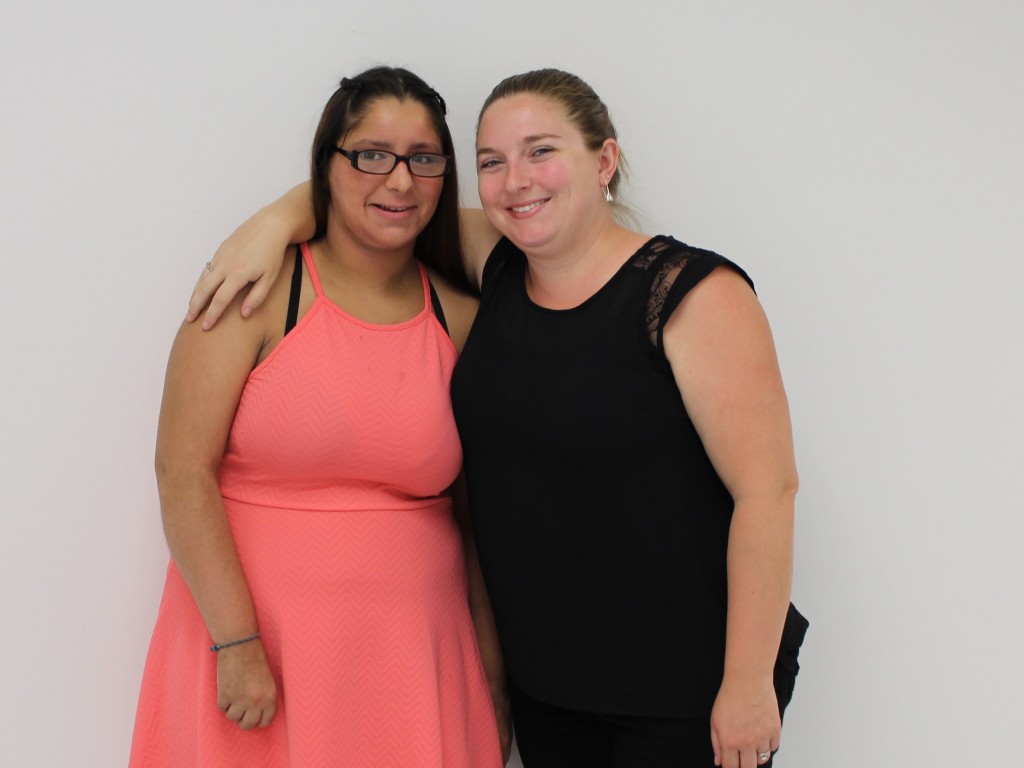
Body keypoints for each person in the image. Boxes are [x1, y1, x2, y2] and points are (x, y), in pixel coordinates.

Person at [188, 68, 808, 768]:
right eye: (491, 162)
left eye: (541, 151)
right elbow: (380, 199)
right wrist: (272, 223)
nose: (516, 181)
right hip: (551, 684)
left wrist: (748, 681)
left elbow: (768, 492)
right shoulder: (500, 268)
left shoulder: (692, 295)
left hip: (685, 681)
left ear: (603, 160)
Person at [131, 66, 507, 767]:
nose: (400, 181)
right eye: (371, 155)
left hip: (413, 659)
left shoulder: (461, 317)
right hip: (254, 657)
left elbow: (471, 519)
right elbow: (181, 472)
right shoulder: (255, 291)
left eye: (423, 159)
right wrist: (237, 642)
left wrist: (491, 675)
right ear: (326, 164)